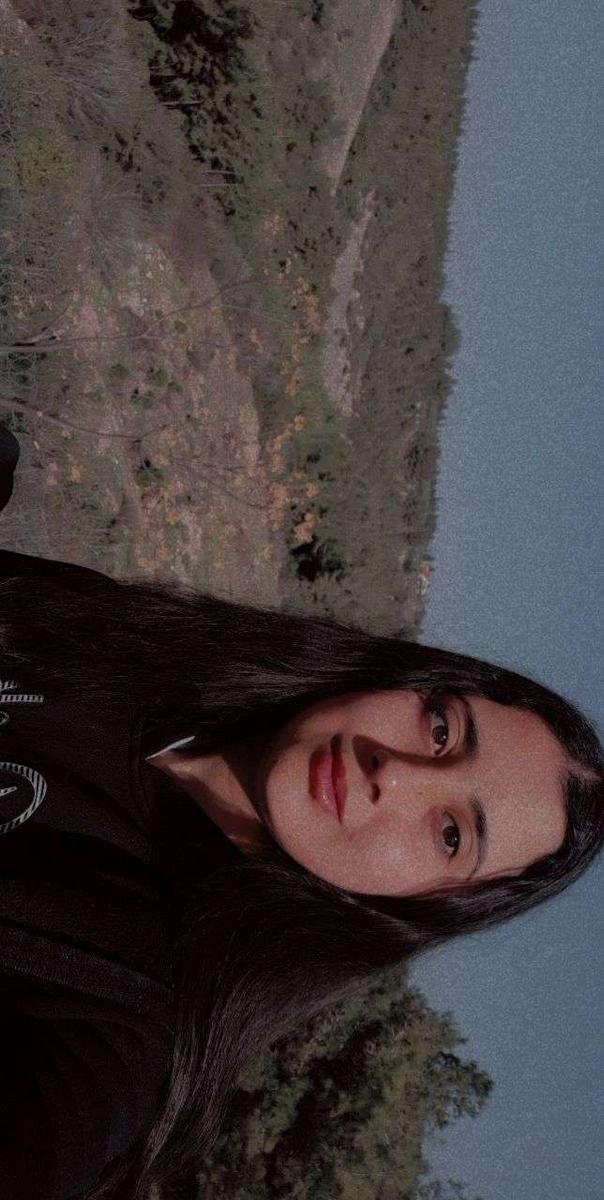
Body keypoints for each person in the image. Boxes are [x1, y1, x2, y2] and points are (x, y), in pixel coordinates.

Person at [1, 424, 602, 1200]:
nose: (396, 775)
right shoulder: (119, 640)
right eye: (442, 728)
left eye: (451, 833)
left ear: (424, 904)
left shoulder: (123, 1016)